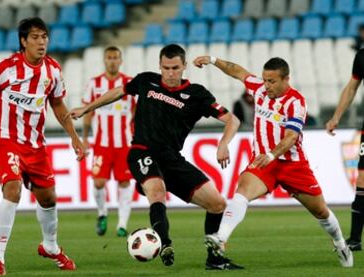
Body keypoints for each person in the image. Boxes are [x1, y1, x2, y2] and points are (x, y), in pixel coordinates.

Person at [67, 44, 242, 270]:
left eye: (175, 68)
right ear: (159, 66)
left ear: (184, 67)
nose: (170, 73)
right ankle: (164, 243)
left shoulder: (197, 95)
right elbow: (119, 91)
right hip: (142, 151)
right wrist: (87, 107)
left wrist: (223, 144)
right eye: (166, 68)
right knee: (157, 192)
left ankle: (215, 259)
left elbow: (232, 120)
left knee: (217, 204)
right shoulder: (146, 81)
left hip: (172, 159)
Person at [193, 55, 354, 268]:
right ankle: (220, 239)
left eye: (272, 81)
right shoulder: (259, 88)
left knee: (321, 211)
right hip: (263, 163)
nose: (266, 85)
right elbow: (236, 71)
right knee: (242, 192)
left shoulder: (296, 102)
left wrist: (271, 154)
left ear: (286, 79)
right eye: (264, 80)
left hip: (293, 164)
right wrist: (213, 60)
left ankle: (340, 244)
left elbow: (291, 138)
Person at [0, 17, 85, 276]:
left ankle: (51, 246)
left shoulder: (53, 70)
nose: (41, 42)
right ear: (23, 41)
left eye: (44, 37)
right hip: (4, 139)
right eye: (35, 37)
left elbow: (57, 104)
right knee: (12, 188)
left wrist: (74, 136)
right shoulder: (6, 68)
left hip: (35, 145)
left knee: (48, 198)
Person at [82, 46, 135, 237]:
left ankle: (122, 224)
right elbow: (87, 112)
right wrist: (85, 138)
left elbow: (136, 112)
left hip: (124, 144)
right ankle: (102, 213)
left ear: (121, 60)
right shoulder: (94, 84)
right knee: (98, 182)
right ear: (104, 60)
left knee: (124, 182)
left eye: (115, 57)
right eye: (109, 58)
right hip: (102, 144)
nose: (112, 61)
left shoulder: (129, 83)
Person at [326, 48, 364, 252]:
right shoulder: (362, 56)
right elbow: (351, 88)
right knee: (362, 181)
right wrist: (336, 117)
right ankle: (355, 240)